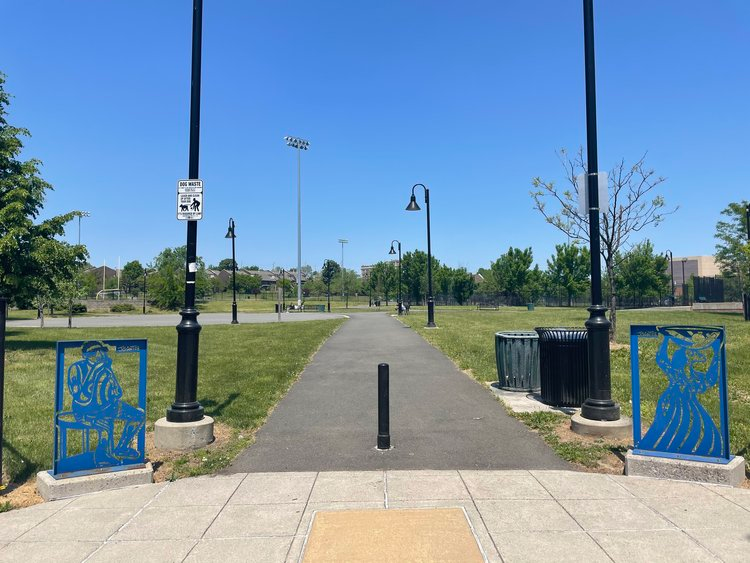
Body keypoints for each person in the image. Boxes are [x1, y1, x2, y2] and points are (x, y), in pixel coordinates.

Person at [67, 341, 145, 466]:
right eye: (94, 353)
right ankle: (103, 457)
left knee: (138, 415)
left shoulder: (105, 368)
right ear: (85, 355)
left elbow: (118, 392)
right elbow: (80, 397)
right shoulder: (77, 369)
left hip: (107, 406)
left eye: (100, 352)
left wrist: (107, 375)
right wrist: (95, 371)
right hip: (85, 411)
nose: (99, 355)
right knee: (105, 423)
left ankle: (122, 447)